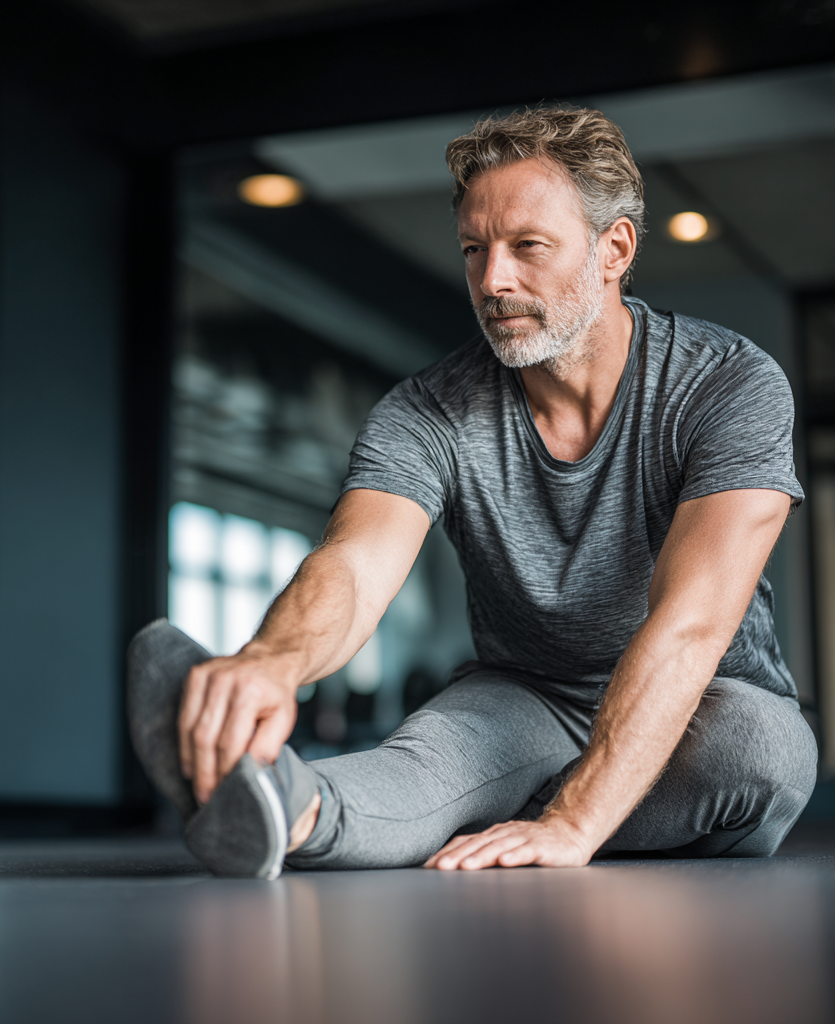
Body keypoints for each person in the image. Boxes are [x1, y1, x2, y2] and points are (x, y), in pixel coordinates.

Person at [128, 107, 817, 879]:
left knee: (764, 750)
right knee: (431, 758)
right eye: (473, 250)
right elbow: (353, 566)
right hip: (524, 698)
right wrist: (270, 661)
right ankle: (279, 806)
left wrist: (574, 820)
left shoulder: (728, 383)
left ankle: (486, 814)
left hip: (702, 705)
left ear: (613, 248)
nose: (493, 280)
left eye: (528, 247)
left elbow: (691, 624)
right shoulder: (427, 412)